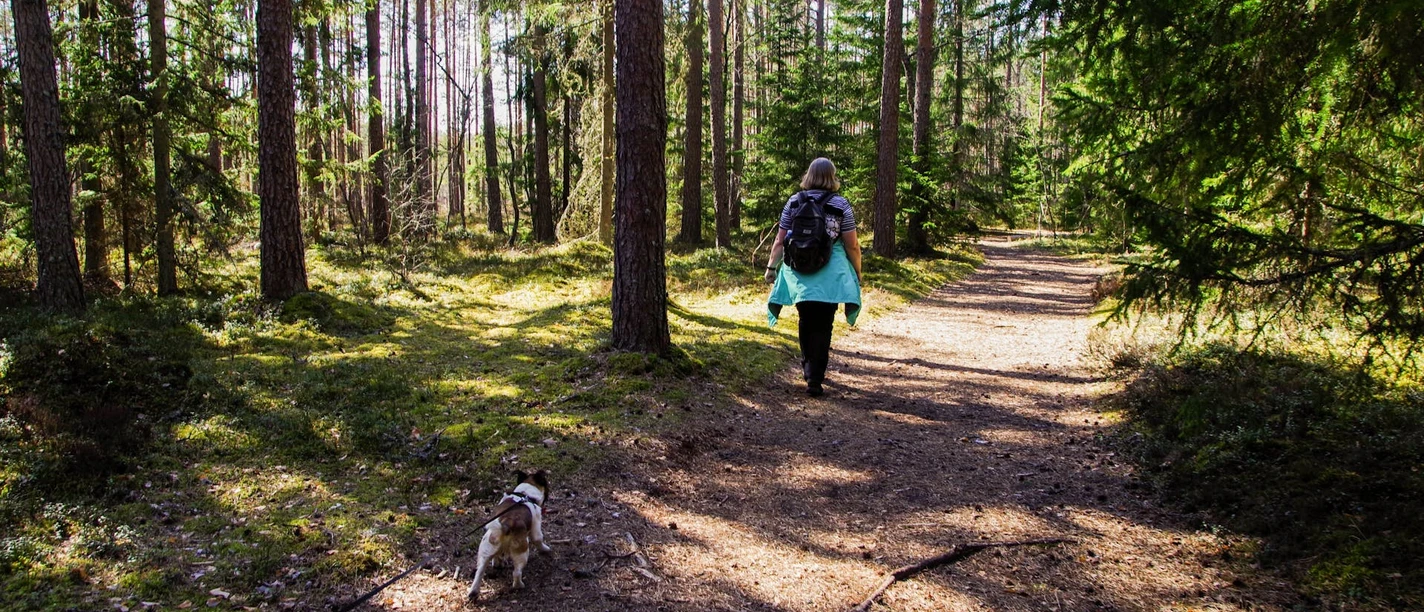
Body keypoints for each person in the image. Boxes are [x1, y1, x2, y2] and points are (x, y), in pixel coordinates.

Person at [764, 158, 863, 397]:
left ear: (809, 175)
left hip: (799, 270)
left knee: (805, 319)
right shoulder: (840, 204)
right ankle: (816, 377)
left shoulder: (794, 201)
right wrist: (857, 272)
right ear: (832, 176)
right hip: (831, 273)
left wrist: (771, 267)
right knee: (824, 323)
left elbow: (780, 240)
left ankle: (809, 370)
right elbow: (852, 245)